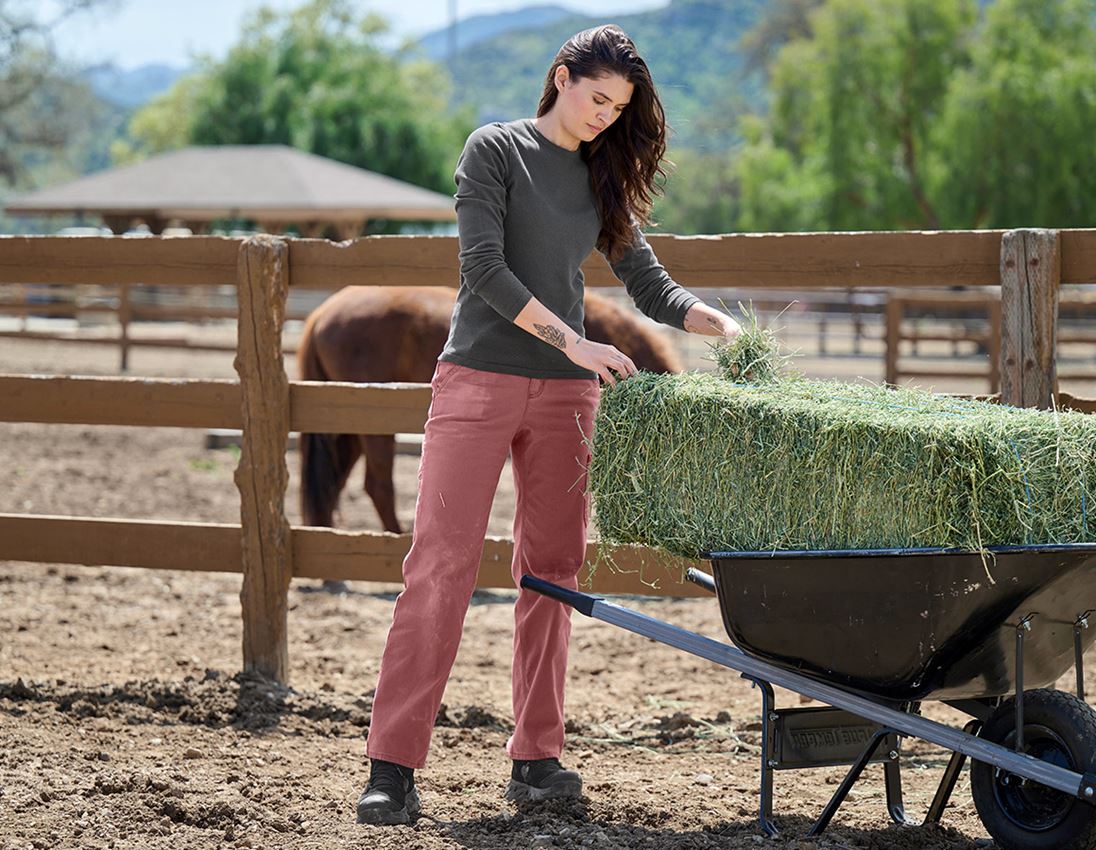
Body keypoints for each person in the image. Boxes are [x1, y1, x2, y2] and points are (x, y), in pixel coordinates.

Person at [356, 23, 741, 826]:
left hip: (567, 400)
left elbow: (646, 279)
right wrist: (575, 340)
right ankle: (392, 764)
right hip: (478, 385)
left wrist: (716, 322)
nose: (606, 116)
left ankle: (536, 756)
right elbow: (483, 270)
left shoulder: (602, 176)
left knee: (555, 570)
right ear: (562, 77)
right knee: (441, 565)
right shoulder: (493, 149)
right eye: (597, 97)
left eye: (619, 107)